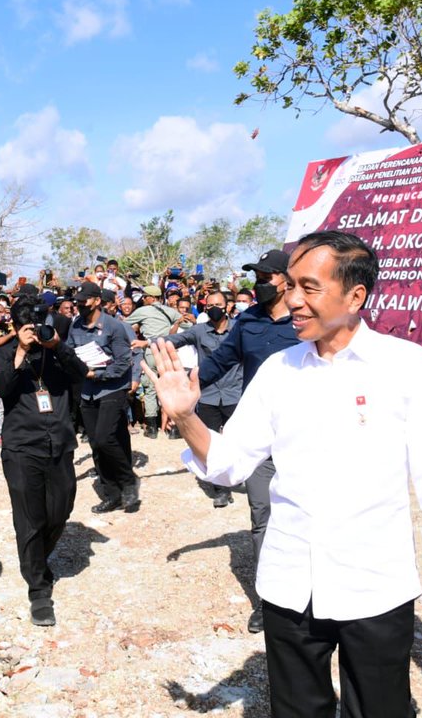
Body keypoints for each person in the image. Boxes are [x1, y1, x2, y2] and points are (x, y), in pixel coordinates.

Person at [148, 230, 422, 718]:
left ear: (356, 295)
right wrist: (188, 416)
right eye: (290, 285)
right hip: (289, 584)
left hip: (375, 587)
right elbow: (230, 460)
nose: (292, 300)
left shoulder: (406, 366)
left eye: (308, 287)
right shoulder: (279, 370)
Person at [199, 249, 300, 634]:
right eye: (255, 276)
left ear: (286, 280)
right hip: (262, 439)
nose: (258, 283)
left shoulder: (307, 320)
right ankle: (269, 601)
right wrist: (189, 388)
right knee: (262, 517)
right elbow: (221, 360)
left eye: (265, 276)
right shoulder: (248, 321)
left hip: (306, 438)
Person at [0, 296, 89, 626]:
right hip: (21, 447)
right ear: (17, 327)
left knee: (61, 509)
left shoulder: (55, 352)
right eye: (28, 326)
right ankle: (38, 588)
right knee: (30, 517)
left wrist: (58, 345)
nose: (35, 331)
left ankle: (35, 558)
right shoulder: (4, 353)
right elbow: (2, 387)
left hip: (59, 442)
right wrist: (20, 350)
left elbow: (81, 374)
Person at [66, 281, 138, 513]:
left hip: (112, 389)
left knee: (106, 438)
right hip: (87, 392)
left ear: (97, 301)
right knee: (97, 443)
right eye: (76, 301)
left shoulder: (114, 327)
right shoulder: (75, 325)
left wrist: (98, 374)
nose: (79, 305)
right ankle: (112, 494)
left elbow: (123, 361)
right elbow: (69, 351)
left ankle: (128, 481)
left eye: (83, 301)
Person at [166, 289, 240, 508]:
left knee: (237, 440)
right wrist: (148, 343)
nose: (213, 309)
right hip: (207, 395)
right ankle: (221, 489)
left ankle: (239, 476)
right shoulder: (199, 331)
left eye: (218, 305)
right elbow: (175, 339)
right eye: (208, 307)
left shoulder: (240, 329)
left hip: (234, 393)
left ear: (228, 306)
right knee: (209, 443)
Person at [123, 284, 180, 438]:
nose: (143, 299)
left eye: (144, 296)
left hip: (150, 351)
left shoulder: (142, 311)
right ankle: (174, 428)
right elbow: (185, 323)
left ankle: (152, 428)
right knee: (171, 388)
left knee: (150, 389)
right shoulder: (171, 311)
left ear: (150, 297)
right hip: (168, 350)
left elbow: (124, 324)